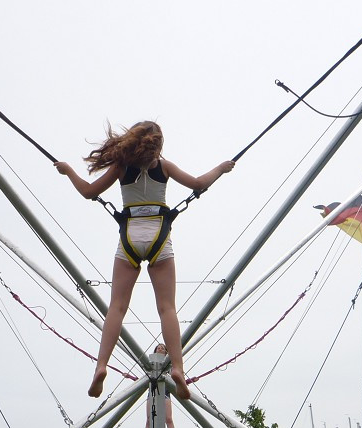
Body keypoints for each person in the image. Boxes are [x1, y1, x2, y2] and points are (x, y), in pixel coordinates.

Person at [55, 121, 234, 399]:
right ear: (158, 144)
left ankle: (101, 366)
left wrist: (68, 172)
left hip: (129, 236)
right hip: (159, 237)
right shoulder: (164, 167)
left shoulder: (120, 168)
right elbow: (199, 184)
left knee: (116, 307)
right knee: (167, 309)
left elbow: (88, 192)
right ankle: (178, 368)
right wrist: (221, 169)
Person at [142, 344, 180, 428]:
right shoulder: (150, 364)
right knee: (149, 419)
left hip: (165, 391)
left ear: (166, 353)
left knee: (168, 418)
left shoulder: (169, 365)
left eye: (163, 348)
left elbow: (176, 376)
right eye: (158, 347)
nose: (160, 348)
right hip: (152, 391)